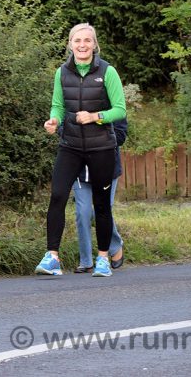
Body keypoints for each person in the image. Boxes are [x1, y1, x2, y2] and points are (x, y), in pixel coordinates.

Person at [37, 23, 126, 277]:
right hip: (71, 146)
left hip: (101, 147)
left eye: (87, 40)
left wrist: (96, 116)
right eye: (77, 41)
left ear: (94, 44)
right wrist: (53, 120)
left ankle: (102, 258)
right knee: (57, 195)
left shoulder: (107, 72)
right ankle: (52, 256)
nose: (82, 45)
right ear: (70, 44)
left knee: (101, 205)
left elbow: (120, 110)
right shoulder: (62, 72)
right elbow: (57, 105)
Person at [71, 118, 127, 273]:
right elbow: (63, 129)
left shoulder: (113, 103)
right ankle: (86, 262)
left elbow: (121, 135)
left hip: (106, 167)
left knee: (100, 211)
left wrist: (96, 132)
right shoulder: (74, 98)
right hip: (79, 169)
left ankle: (115, 246)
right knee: (83, 213)